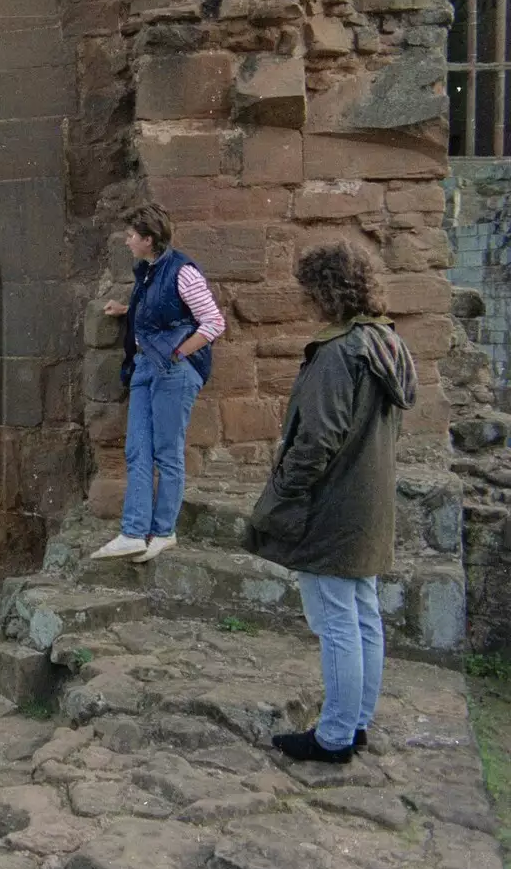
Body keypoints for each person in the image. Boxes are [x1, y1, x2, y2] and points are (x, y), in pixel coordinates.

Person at [245, 241, 416, 764]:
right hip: (366, 503)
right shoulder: (385, 341)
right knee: (363, 613)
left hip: (333, 507)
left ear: (324, 291)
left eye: (308, 291)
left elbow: (316, 438)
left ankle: (336, 736)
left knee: (337, 620)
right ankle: (355, 721)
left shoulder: (340, 351)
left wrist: (285, 491)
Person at [91, 203, 226, 564]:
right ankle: (134, 533)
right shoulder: (148, 272)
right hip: (144, 369)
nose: (127, 241)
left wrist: (178, 355)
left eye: (132, 236)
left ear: (148, 240)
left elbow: (213, 323)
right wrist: (127, 310)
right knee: (137, 450)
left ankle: (163, 531)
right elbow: (158, 309)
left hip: (173, 371)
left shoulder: (182, 272)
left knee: (167, 454)